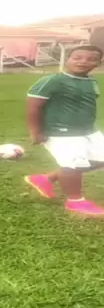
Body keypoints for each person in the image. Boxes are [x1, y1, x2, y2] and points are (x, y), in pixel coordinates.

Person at [25, 44, 104, 215]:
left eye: (91, 59)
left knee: (100, 160)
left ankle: (45, 179)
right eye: (77, 58)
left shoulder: (90, 81)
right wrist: (35, 131)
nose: (83, 62)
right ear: (68, 59)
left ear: (98, 63)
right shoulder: (53, 80)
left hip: (88, 131)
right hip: (60, 132)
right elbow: (33, 106)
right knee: (73, 165)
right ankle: (75, 202)